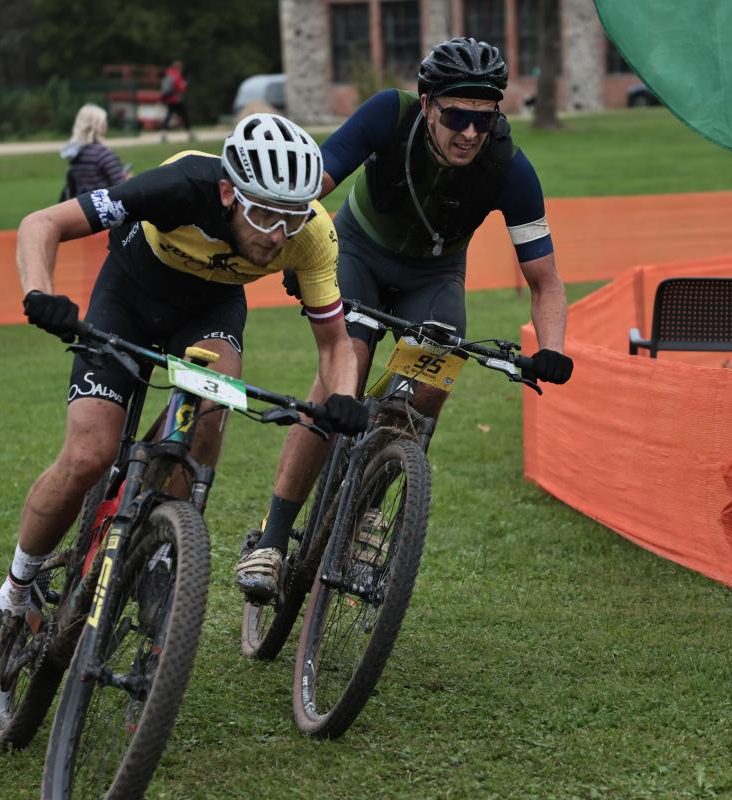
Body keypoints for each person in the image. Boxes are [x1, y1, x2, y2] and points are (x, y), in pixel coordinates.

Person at [0, 112, 368, 701]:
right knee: (90, 453)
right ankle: (12, 598)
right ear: (227, 192)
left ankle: (160, 554)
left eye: (293, 215)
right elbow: (41, 223)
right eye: (264, 214)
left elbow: (335, 344)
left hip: (210, 311)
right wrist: (40, 292)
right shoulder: (177, 186)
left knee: (212, 406)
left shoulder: (311, 233)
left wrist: (345, 397)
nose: (278, 234)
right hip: (128, 295)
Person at [233, 36, 574, 602]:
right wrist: (295, 249)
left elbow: (546, 280)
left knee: (430, 386)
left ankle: (367, 509)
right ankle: (271, 538)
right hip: (357, 255)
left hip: (434, 277)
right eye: (457, 115)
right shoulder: (388, 115)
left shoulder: (508, 166)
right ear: (427, 103)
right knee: (343, 372)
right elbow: (310, 190)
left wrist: (554, 348)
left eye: (484, 119)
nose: (470, 133)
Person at [59, 103, 131, 199]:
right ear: (99, 126)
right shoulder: (103, 154)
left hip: (83, 205)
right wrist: (128, 180)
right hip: (103, 205)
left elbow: (72, 189)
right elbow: (122, 189)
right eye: (104, 121)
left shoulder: (74, 154)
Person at [159, 59, 190, 132]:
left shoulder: (168, 73)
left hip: (169, 99)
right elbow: (180, 87)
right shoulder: (176, 75)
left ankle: (163, 133)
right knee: (185, 115)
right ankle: (189, 132)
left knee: (169, 116)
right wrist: (184, 84)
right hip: (176, 99)